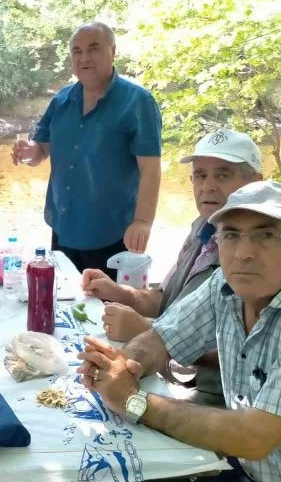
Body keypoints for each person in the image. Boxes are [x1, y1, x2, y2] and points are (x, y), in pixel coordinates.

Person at [79, 181, 281, 482]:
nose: (243, 252)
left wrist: (133, 399)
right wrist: (124, 366)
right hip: (253, 479)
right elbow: (161, 337)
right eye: (230, 234)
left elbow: (255, 437)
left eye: (266, 235)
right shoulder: (225, 284)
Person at [83, 128, 263, 405]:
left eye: (223, 175)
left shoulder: (260, 255)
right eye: (200, 175)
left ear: (255, 184)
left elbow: (248, 353)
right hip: (164, 369)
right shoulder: (204, 227)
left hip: (212, 393)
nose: (208, 186)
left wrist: (146, 330)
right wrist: (119, 292)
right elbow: (165, 298)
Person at [10, 22, 162, 274]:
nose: (84, 57)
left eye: (93, 48)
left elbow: (151, 170)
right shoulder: (61, 100)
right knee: (67, 302)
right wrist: (29, 151)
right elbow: (41, 150)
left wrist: (143, 222)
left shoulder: (138, 102)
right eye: (77, 51)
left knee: (105, 307)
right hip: (63, 225)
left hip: (113, 232)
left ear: (113, 51)